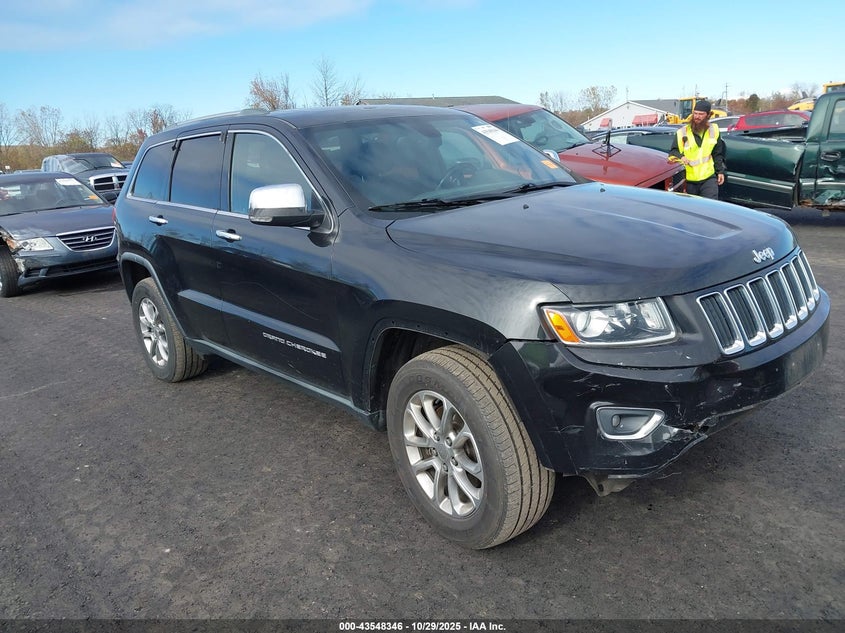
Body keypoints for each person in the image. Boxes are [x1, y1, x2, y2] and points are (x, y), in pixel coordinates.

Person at [668, 100, 726, 199]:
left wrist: (720, 171)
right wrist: (681, 157)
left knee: (711, 208)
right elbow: (672, 153)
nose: (697, 117)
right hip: (689, 181)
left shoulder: (714, 130)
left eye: (701, 114)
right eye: (695, 113)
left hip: (708, 178)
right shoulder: (682, 133)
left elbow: (717, 153)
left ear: (708, 115)